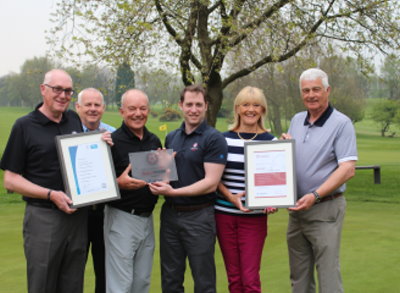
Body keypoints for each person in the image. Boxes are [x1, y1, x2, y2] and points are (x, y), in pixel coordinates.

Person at [0, 69, 90, 293]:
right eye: (57, 89)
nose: (63, 95)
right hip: (44, 217)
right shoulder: (24, 126)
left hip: (77, 217)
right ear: (43, 89)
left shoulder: (73, 119)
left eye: (68, 91)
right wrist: (51, 194)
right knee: (42, 285)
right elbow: (10, 180)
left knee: (73, 284)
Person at [282, 68, 357, 293]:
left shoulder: (341, 123)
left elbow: (347, 169)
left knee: (327, 274)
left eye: (316, 89)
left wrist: (315, 195)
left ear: (327, 90)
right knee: (299, 275)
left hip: (325, 208)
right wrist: (283, 147)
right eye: (306, 91)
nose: (311, 95)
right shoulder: (296, 120)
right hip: (297, 211)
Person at [149, 85, 228, 293]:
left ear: (206, 106)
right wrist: (159, 173)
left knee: (203, 281)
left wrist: (173, 192)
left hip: (199, 217)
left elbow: (211, 183)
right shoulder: (172, 137)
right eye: (189, 104)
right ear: (181, 106)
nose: (194, 109)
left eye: (198, 105)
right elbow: (170, 177)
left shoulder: (214, 138)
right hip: (171, 216)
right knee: (171, 279)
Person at [215, 86, 278, 293]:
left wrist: (273, 200)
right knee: (234, 278)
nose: (251, 109)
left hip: (254, 219)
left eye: (256, 105)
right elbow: (213, 178)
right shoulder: (222, 139)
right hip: (224, 215)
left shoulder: (272, 142)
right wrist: (230, 196)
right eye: (246, 104)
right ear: (237, 108)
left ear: (263, 110)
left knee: (250, 280)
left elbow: (277, 181)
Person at [104, 89, 162, 293]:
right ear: (121, 111)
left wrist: (161, 181)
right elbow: (98, 186)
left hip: (147, 220)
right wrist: (118, 183)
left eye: (143, 108)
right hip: (121, 218)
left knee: (142, 282)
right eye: (132, 109)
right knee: (121, 285)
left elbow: (158, 181)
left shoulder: (154, 141)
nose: (138, 113)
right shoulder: (111, 142)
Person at [75, 87, 116, 293]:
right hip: (75, 215)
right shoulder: (67, 136)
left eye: (97, 105)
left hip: (105, 213)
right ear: (78, 107)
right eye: (88, 105)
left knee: (104, 271)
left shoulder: (114, 134)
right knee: (73, 271)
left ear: (103, 108)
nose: (92, 109)